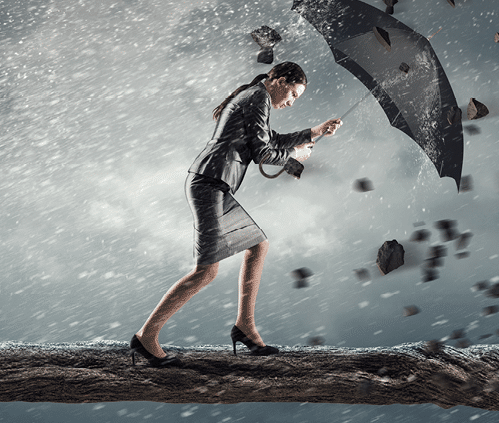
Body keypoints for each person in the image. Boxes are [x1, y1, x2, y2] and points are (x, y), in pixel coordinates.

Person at [130, 61, 342, 366]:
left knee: (258, 245)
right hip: (209, 185)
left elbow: (271, 140)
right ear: (279, 80)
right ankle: (145, 338)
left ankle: (245, 327)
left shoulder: (258, 97)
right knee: (206, 272)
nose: (291, 102)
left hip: (216, 186)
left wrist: (315, 131)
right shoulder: (258, 98)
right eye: (292, 94)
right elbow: (264, 153)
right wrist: (295, 155)